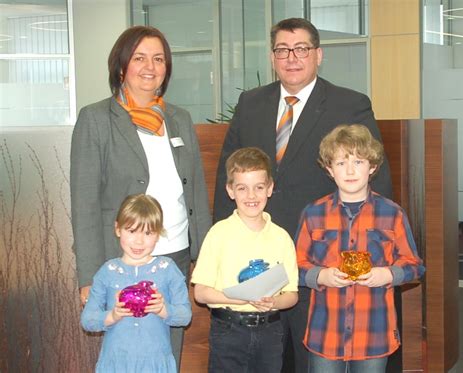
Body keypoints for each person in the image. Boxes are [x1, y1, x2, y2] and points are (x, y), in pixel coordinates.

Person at [213, 17, 393, 373]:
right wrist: (224, 239)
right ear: (272, 56)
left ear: (318, 55)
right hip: (258, 252)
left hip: (323, 254)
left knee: (313, 356)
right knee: (267, 356)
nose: (291, 57)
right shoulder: (250, 103)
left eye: (301, 49)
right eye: (282, 50)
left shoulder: (350, 103)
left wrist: (368, 251)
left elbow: (376, 178)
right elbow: (228, 172)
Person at [70, 25, 211, 369]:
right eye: (140, 58)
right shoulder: (96, 118)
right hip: (122, 260)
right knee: (127, 347)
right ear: (122, 66)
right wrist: (89, 275)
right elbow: (84, 202)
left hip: (174, 252)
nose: (150, 67)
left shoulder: (178, 118)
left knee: (167, 347)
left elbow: (194, 191)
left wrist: (206, 257)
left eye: (159, 59)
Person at [295, 124, 425, 372]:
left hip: (374, 333)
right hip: (326, 332)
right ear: (329, 170)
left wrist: (387, 274)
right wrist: (320, 275)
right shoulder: (313, 214)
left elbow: (415, 266)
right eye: (341, 163)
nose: (350, 170)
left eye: (358, 161)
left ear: (372, 167)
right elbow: (294, 266)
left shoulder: (392, 213)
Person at [192, 147, 299, 373]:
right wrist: (237, 298)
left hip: (270, 331)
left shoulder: (281, 237)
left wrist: (274, 302)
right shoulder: (218, 234)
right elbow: (200, 293)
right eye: (242, 188)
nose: (251, 196)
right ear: (230, 190)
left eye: (259, 188)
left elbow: (291, 295)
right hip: (228, 330)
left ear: (269, 189)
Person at [81, 194, 192, 372]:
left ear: (158, 234)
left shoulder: (168, 269)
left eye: (148, 233)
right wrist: (113, 316)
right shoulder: (107, 271)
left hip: (155, 363)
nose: (139, 241)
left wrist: (163, 309)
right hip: (116, 363)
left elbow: (185, 316)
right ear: (118, 229)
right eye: (131, 231)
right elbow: (88, 320)